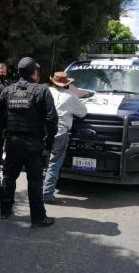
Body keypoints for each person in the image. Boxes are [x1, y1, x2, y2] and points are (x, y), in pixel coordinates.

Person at [0, 57, 58, 227]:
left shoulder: (8, 90)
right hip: (33, 144)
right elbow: (52, 119)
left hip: (12, 143)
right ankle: (38, 218)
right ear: (34, 73)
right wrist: (50, 142)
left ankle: (5, 211)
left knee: (9, 177)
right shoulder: (42, 90)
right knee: (35, 182)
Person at [42, 72, 88, 204]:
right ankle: (47, 194)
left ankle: (37, 191)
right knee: (54, 164)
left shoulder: (46, 92)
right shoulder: (71, 97)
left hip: (43, 132)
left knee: (42, 162)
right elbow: (83, 112)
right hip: (60, 133)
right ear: (67, 83)